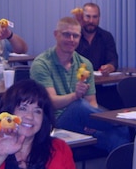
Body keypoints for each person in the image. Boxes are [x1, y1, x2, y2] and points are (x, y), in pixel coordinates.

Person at [30, 17, 129, 153]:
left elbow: (92, 102)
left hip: (81, 120)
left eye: (75, 36)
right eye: (66, 34)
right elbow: (50, 102)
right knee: (78, 105)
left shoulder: (84, 63)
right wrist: (75, 96)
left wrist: (91, 122)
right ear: (56, 34)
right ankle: (119, 121)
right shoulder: (41, 64)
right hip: (54, 122)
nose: (71, 39)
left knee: (119, 137)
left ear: (79, 37)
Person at [74, 2, 118, 74]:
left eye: (95, 17)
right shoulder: (74, 37)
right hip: (77, 81)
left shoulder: (106, 36)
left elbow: (113, 61)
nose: (91, 21)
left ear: (99, 18)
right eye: (88, 16)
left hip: (100, 82)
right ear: (82, 17)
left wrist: (110, 66)